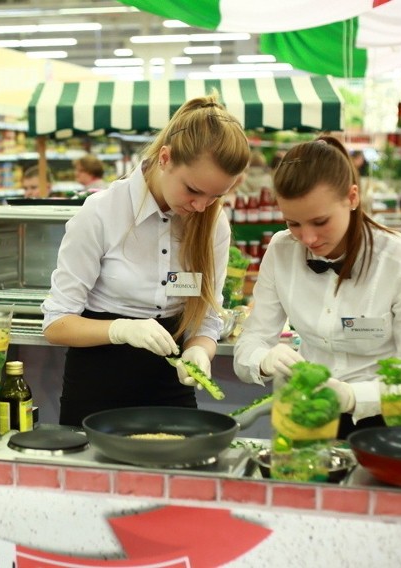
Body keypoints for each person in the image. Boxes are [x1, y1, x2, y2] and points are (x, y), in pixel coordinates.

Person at [41, 94, 250, 427]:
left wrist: (199, 350)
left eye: (216, 196)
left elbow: (207, 319)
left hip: (171, 390)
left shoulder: (214, 224)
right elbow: (56, 324)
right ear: (165, 158)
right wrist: (122, 329)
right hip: (97, 387)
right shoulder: (102, 213)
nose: (201, 206)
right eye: (194, 190)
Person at [233, 136, 401, 439]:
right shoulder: (281, 251)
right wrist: (263, 361)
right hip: (308, 416)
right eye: (294, 223)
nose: (308, 239)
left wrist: (353, 396)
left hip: (385, 422)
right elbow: (248, 345)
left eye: (320, 221)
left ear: (352, 197)